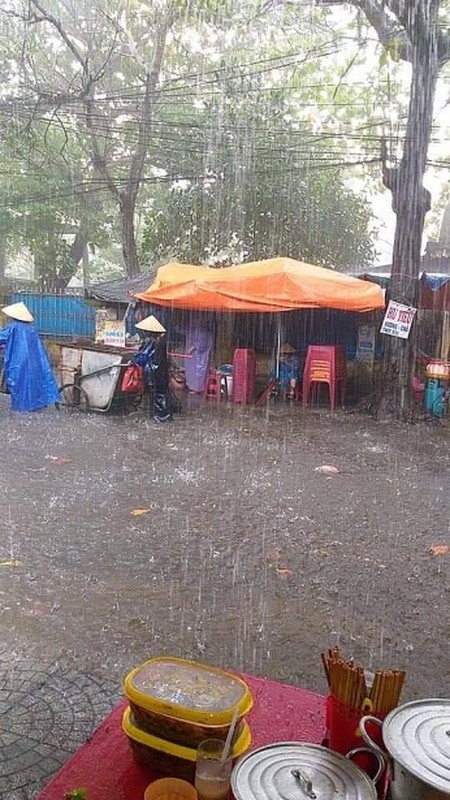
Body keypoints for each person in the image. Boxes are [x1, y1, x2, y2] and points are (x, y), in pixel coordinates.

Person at [0, 301, 60, 412]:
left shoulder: (13, 327)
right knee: (33, 381)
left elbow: (2, 337)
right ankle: (35, 405)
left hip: (18, 361)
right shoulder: (31, 329)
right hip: (34, 361)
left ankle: (20, 407)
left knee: (18, 383)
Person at [131, 314, 172, 422]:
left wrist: (133, 361)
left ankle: (158, 418)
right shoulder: (161, 340)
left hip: (153, 373)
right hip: (162, 373)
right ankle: (164, 417)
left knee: (155, 397)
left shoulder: (150, 341)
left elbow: (144, 356)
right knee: (161, 395)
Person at [179, 316, 212, 393]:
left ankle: (197, 389)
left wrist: (193, 348)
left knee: (198, 372)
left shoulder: (202, 330)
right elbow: (183, 331)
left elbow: (202, 343)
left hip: (198, 357)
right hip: (191, 357)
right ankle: (191, 386)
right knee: (191, 371)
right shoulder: (192, 329)